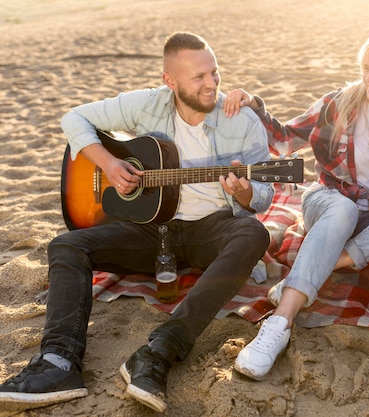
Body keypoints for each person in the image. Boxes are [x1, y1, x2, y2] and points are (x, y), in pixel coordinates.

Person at [0, 32, 274, 413]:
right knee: (66, 245)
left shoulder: (241, 120)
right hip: (151, 228)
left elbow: (264, 194)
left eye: (215, 72)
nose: (212, 84)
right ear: (170, 81)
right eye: (199, 77)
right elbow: (74, 117)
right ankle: (58, 363)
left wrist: (245, 194)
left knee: (254, 232)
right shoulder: (147, 103)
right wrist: (109, 164)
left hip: (209, 230)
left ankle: (159, 350)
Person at [222, 26, 369, 381]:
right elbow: (282, 141)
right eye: (365, 67)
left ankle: (322, 264)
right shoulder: (337, 103)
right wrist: (253, 105)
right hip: (328, 202)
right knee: (344, 208)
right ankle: (278, 325)